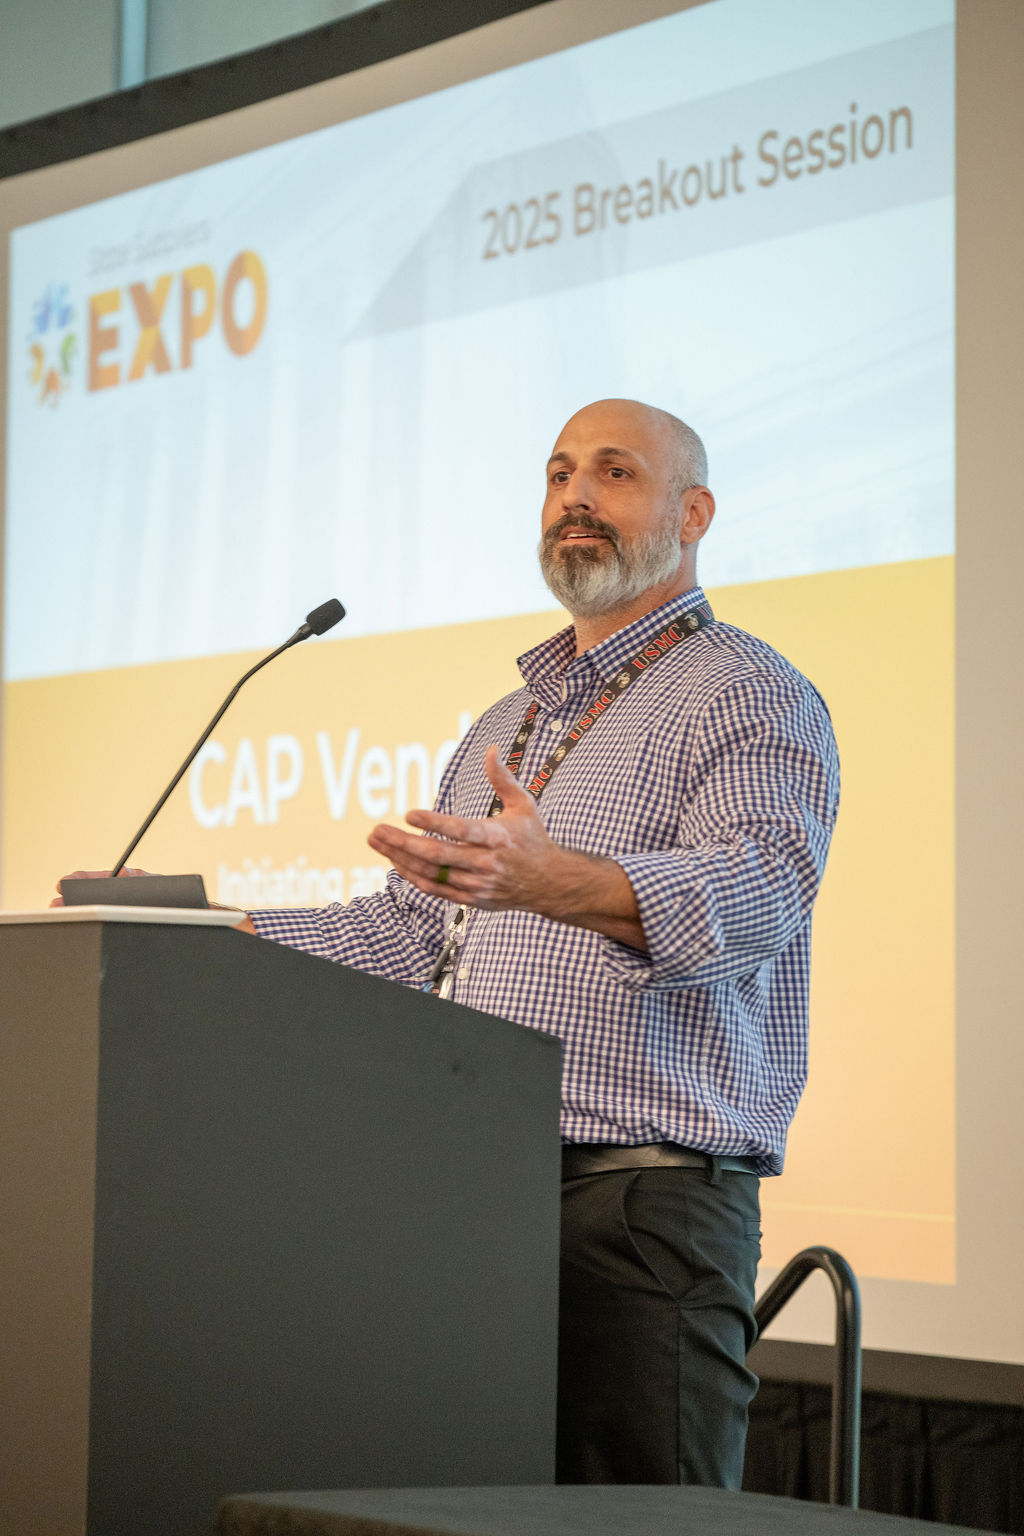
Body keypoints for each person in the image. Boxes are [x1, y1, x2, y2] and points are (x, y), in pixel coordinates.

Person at [63, 399, 840, 1487]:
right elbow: (408, 933)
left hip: (640, 1208)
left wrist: (553, 880)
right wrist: (207, 929)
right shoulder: (501, 725)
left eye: (614, 473)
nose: (575, 496)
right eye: (558, 474)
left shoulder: (749, 692)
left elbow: (758, 891)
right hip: (475, 1191)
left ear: (694, 513)